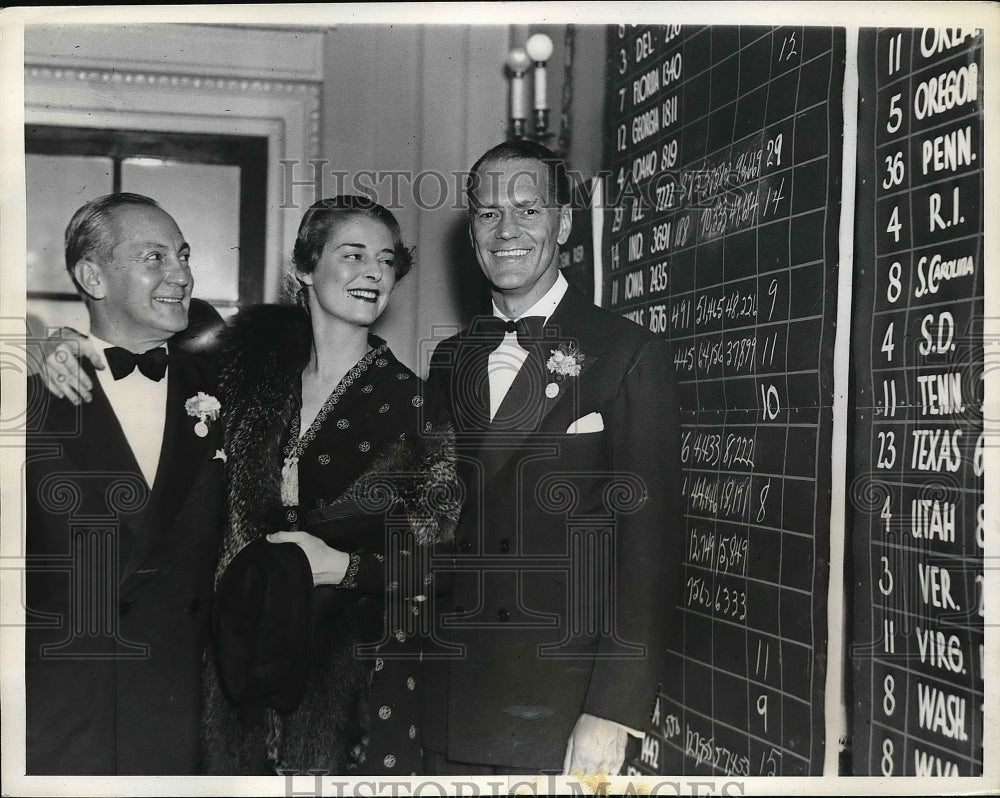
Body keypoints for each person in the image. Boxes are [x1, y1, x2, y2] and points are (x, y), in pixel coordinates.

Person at [422, 141, 685, 776]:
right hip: (451, 696)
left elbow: (650, 550)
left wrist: (615, 711)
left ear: (564, 223)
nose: (505, 230)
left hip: (563, 705)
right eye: (487, 214)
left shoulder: (627, 353)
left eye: (527, 209)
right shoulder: (448, 360)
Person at [200, 195, 459, 775]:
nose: (374, 272)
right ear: (303, 269)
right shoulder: (245, 380)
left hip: (353, 680)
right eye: (354, 254)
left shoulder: (415, 405)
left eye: (387, 260)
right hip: (237, 664)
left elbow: (443, 560)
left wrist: (341, 567)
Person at [24, 193, 226, 774]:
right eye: (155, 257)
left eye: (184, 256)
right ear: (92, 276)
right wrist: (31, 338)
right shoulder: (28, 388)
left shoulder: (228, 385)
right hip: (59, 712)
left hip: (180, 705)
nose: (182, 275)